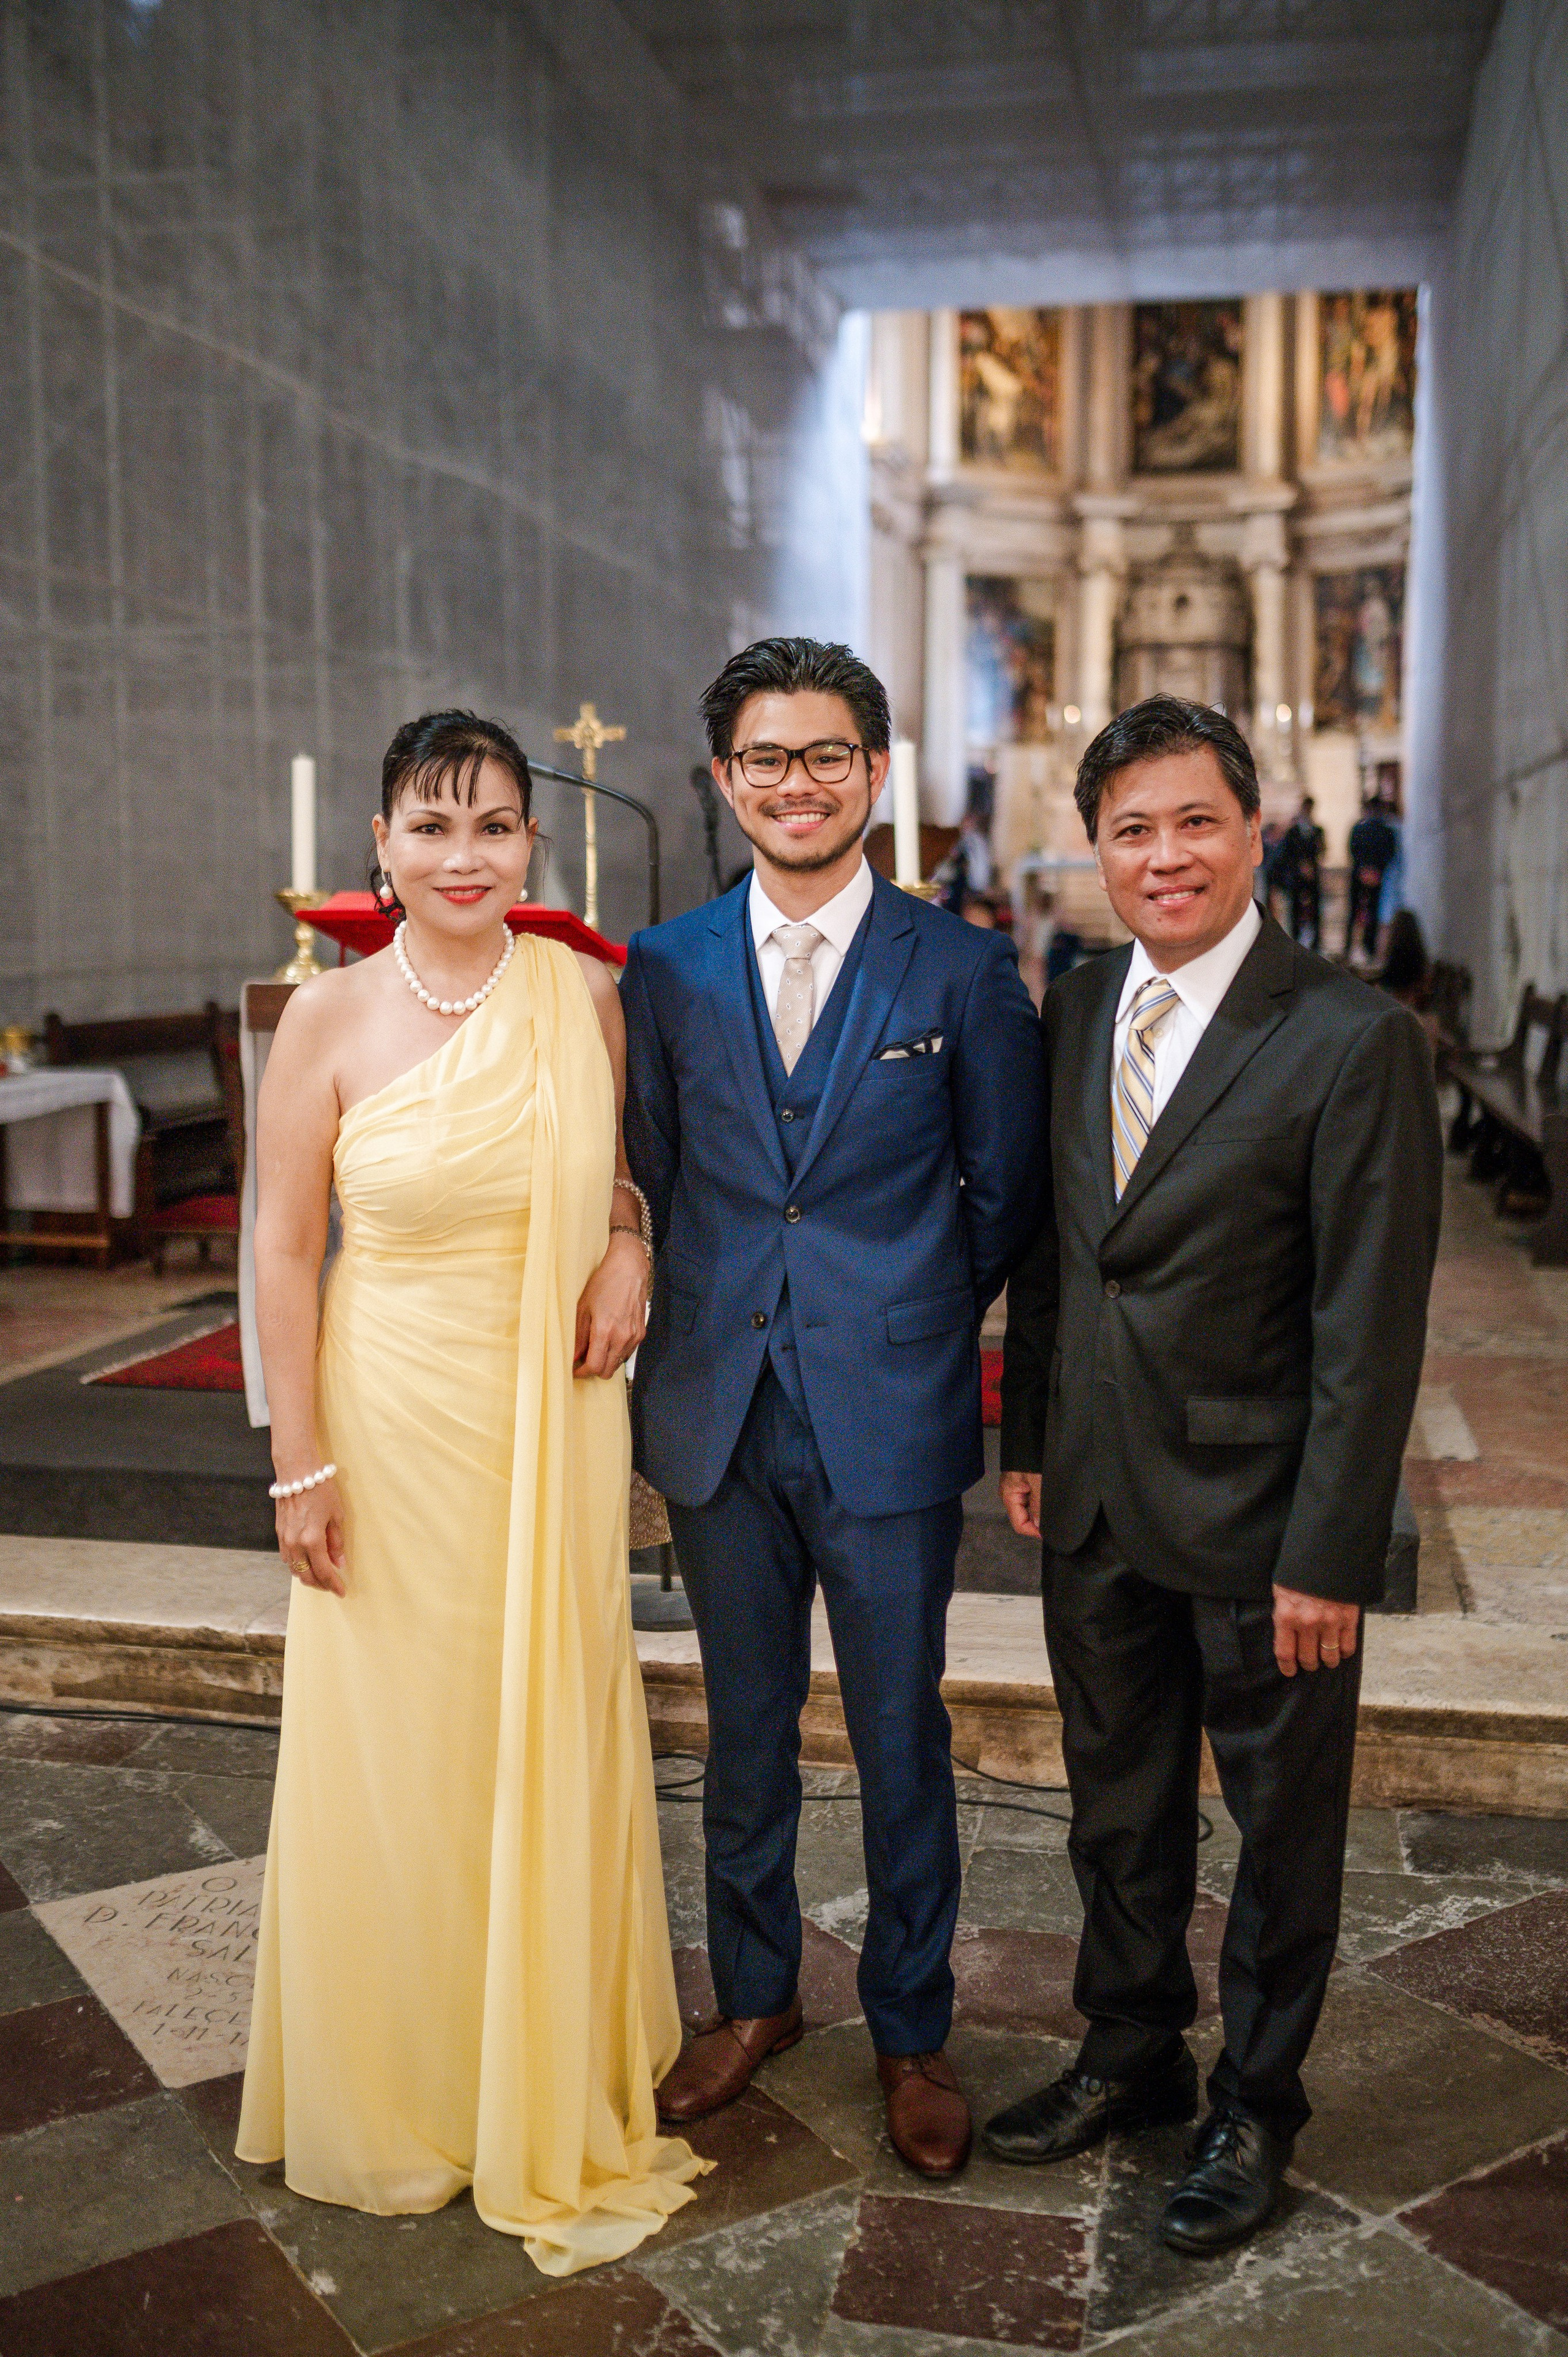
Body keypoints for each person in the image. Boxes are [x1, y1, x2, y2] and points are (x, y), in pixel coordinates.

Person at [238, 711, 706, 2274]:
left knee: (536, 1727)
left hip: (548, 1427)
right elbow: (283, 1251)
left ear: (530, 845)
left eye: (493, 825)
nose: (463, 855)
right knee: (400, 1751)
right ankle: (408, 2077)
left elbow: (618, 1171)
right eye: (431, 826)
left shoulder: (582, 994)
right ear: (380, 844)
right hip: (385, 1426)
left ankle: (537, 2055)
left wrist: (629, 1239)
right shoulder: (325, 1018)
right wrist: (300, 1460)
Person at [988, 693, 1441, 2256]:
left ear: (1253, 831)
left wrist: (1331, 1546)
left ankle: (1256, 2097)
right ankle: (1130, 2046)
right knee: (1115, 1806)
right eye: (1131, 829)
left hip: (1263, 1523)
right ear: (1094, 848)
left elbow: (1365, 1324)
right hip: (1095, 1494)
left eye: (1195, 821)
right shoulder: (1073, 1006)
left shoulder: (1348, 1035)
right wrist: (1029, 1435)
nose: (1164, 855)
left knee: (1277, 1830)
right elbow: (1059, 1249)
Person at [621, 636, 1044, 2179]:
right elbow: (655, 1170)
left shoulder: (960, 968)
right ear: (724, 778)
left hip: (886, 1405)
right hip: (718, 1406)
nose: (793, 783)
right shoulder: (662, 966)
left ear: (872, 771)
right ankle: (752, 1996)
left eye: (823, 755)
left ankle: (911, 2027)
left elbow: (1001, 1195)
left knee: (895, 1731)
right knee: (739, 1729)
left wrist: (892, 1313)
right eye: (764, 757)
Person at [1265, 794, 1324, 951]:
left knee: (1315, 910)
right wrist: (1300, 867)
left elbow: (1321, 851)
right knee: (1295, 910)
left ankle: (1315, 943)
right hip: (1297, 877)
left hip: (1312, 876)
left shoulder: (1317, 831)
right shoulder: (1293, 832)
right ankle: (1296, 940)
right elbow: (1286, 855)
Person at [1346, 794, 1398, 963]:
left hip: (1363, 874)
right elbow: (1389, 852)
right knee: (1371, 912)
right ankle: (1369, 948)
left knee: (1357, 911)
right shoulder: (1386, 831)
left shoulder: (1360, 829)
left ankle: (1350, 948)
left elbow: (1353, 849)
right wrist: (1375, 870)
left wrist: (1364, 869)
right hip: (1373, 874)